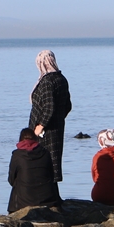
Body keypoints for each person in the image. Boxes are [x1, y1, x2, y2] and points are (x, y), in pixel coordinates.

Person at [29, 50, 73, 184]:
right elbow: (68, 105)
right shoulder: (61, 79)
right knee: (54, 161)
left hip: (44, 130)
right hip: (57, 126)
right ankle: (54, 195)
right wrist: (59, 118)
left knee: (42, 161)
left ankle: (45, 195)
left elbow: (49, 107)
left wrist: (40, 126)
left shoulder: (47, 81)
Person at [7, 128, 61, 213]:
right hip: (48, 199)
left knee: (18, 183)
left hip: (23, 202)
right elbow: (52, 176)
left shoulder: (17, 155)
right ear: (35, 139)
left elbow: (11, 180)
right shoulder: (46, 152)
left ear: (20, 140)